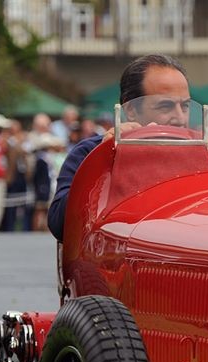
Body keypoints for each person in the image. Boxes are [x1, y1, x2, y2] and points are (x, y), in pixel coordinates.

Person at [48, 54, 191, 241]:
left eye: (186, 106)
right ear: (130, 109)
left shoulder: (206, 153)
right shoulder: (90, 152)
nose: (180, 118)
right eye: (165, 106)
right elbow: (60, 225)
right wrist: (106, 159)